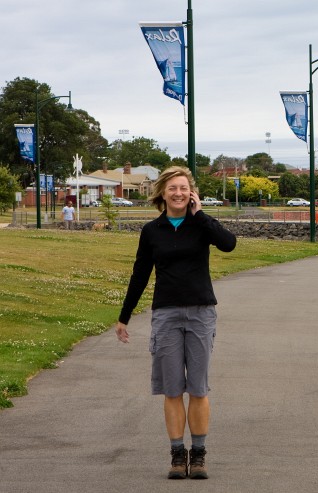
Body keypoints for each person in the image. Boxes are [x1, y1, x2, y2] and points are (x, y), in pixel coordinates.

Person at [115, 166, 236, 480]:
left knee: (198, 388)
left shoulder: (201, 226)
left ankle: (198, 455)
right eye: (173, 189)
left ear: (191, 192)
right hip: (166, 314)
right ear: (162, 193)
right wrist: (123, 317)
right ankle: (176, 455)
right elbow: (140, 275)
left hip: (200, 312)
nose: (178, 193)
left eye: (184, 188)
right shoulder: (152, 231)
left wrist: (202, 215)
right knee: (172, 389)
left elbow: (228, 244)